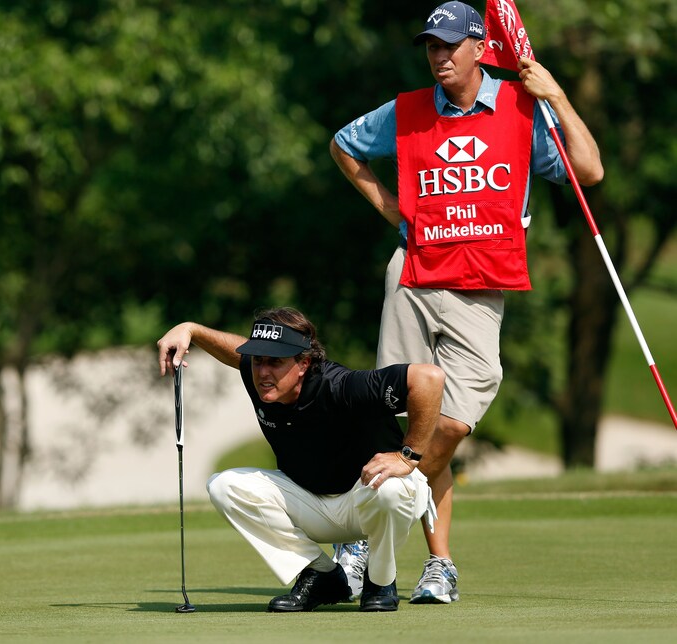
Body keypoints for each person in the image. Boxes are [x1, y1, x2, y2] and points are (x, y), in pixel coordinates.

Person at [329, 1, 604, 604]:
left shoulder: (521, 107)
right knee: (401, 418)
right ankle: (439, 565)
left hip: (481, 285)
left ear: (482, 48)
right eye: (432, 45)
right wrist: (395, 212)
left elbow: (590, 170)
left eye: (452, 45)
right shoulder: (406, 111)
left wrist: (555, 95)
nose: (440, 56)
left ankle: (358, 534)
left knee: (447, 425)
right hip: (414, 273)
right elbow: (344, 145)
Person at [156, 306, 445, 612]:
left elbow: (429, 378)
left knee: (391, 489)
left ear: (304, 363)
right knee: (223, 485)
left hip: (369, 499)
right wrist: (192, 329)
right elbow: (235, 352)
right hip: (312, 505)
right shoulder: (260, 376)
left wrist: (407, 455)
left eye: (275, 362)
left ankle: (381, 579)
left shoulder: (343, 386)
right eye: (259, 360)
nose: (263, 372)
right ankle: (322, 575)